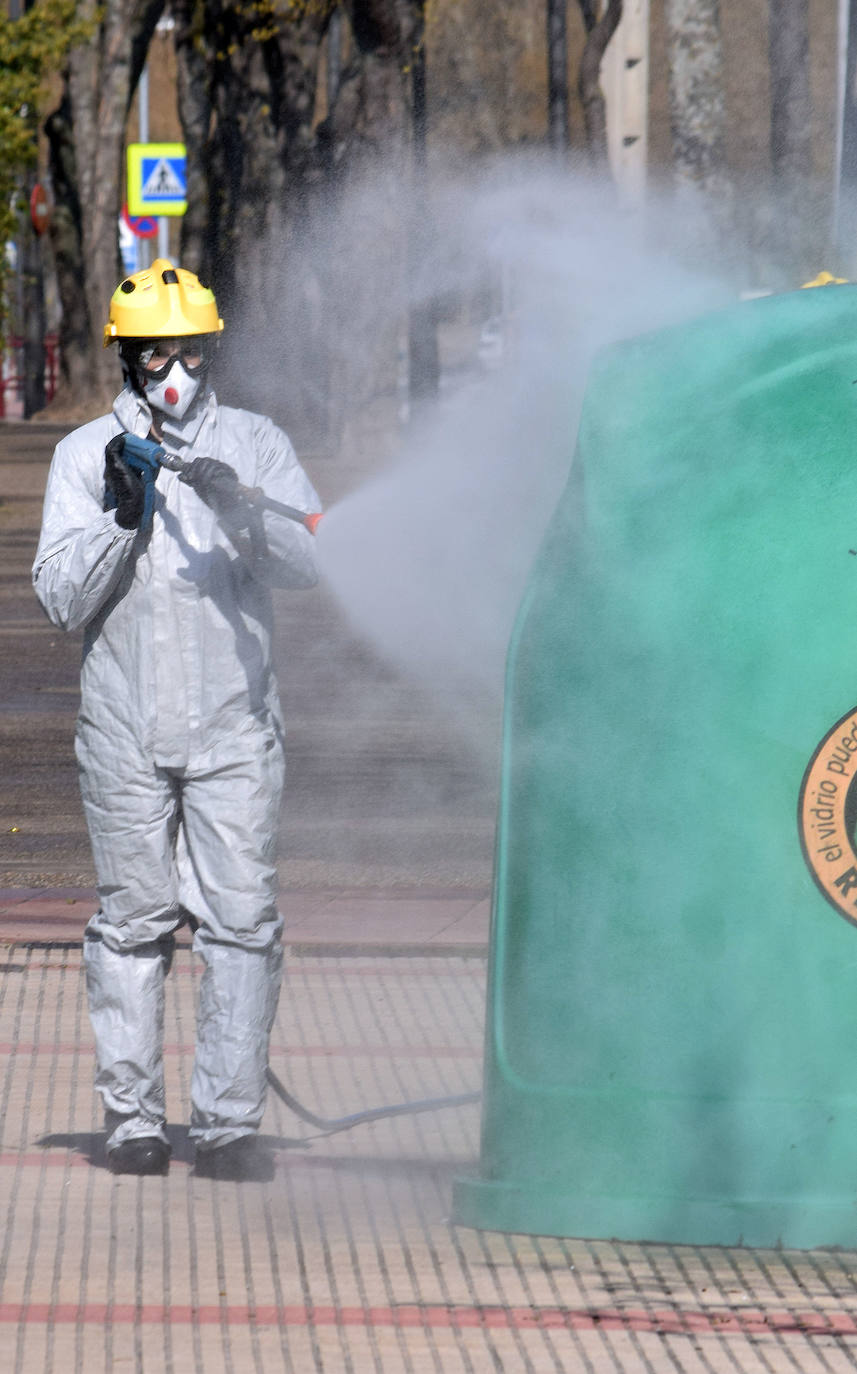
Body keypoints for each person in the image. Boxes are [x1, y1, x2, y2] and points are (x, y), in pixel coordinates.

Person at [32, 259, 321, 1179]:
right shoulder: (86, 457)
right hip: (123, 728)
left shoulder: (256, 444)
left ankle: (230, 1122)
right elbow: (60, 601)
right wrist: (123, 515)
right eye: (155, 353)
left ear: (211, 351)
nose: (175, 374)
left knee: (241, 920)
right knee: (132, 923)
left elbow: (310, 562)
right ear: (124, 357)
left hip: (235, 724)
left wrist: (246, 515)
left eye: (190, 352)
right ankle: (132, 1121)